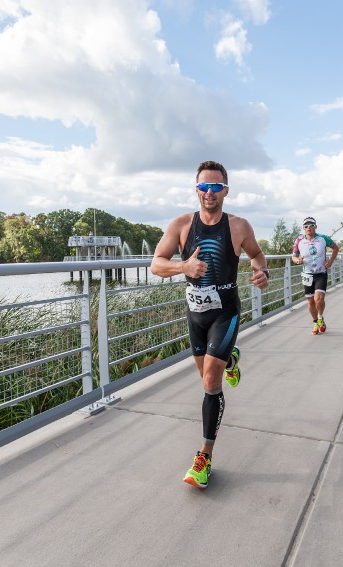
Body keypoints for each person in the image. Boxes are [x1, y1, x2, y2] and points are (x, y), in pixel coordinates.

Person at [151, 160, 269, 489]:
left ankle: (204, 457)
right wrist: (183, 267)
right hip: (196, 315)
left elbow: (257, 255)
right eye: (203, 187)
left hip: (225, 312)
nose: (209, 193)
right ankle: (232, 359)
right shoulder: (181, 226)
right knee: (207, 372)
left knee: (210, 382)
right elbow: (156, 264)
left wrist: (263, 272)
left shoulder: (239, 227)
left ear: (226, 191)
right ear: (197, 190)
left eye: (216, 187)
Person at [291, 217, 339, 335]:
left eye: (311, 225)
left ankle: (320, 317)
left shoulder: (323, 238)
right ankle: (315, 322)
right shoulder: (299, 240)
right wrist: (297, 260)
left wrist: (331, 261)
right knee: (311, 301)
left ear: (315, 227)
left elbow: (335, 248)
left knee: (319, 299)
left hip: (320, 273)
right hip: (307, 274)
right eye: (306, 226)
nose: (308, 228)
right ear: (303, 228)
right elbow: (294, 256)